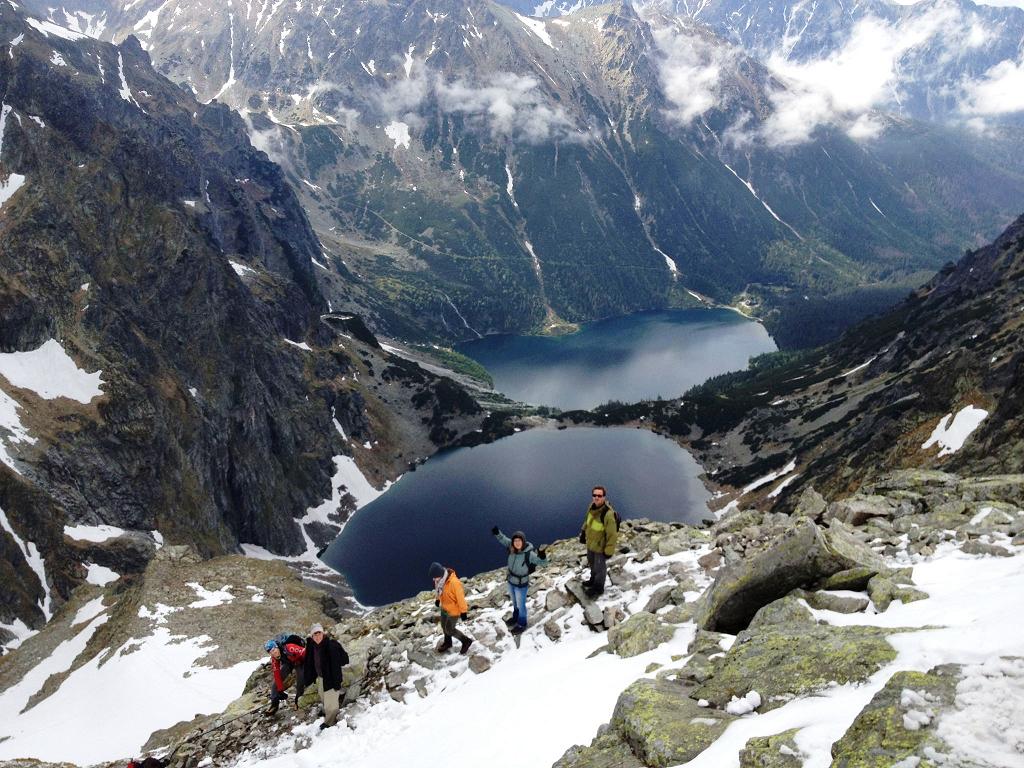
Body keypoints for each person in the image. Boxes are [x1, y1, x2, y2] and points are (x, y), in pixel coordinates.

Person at [491, 527, 547, 634]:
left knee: (521, 605)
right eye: (515, 541)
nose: (517, 543)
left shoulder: (529, 554)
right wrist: (497, 533)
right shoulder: (511, 547)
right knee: (515, 602)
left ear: (523, 541)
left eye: (519, 540)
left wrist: (542, 554)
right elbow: (503, 539)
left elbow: (544, 563)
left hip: (521, 584)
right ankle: (515, 617)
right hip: (511, 581)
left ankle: (522, 624)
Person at [301, 623, 349, 730]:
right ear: (312, 636)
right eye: (315, 634)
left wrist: (337, 682)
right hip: (321, 677)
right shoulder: (312, 647)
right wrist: (308, 678)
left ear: (323, 633)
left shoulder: (332, 645)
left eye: (319, 633)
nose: (317, 636)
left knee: (331, 705)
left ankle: (330, 722)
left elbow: (344, 660)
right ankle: (328, 711)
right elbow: (309, 662)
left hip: (331, 678)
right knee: (322, 696)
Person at [580, 485, 618, 597]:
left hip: (601, 547)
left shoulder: (608, 514)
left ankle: (598, 588)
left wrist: (609, 551)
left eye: (599, 496)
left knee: (600, 568)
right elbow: (587, 521)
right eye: (594, 495)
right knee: (592, 563)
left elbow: (612, 534)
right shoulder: (591, 506)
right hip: (591, 543)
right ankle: (592, 580)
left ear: (604, 497)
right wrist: (583, 532)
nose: (596, 498)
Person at [429, 562, 473, 654]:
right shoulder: (439, 581)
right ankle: (448, 643)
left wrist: (463, 612)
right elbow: (439, 591)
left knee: (450, 629)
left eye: (435, 577)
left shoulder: (454, 583)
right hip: (444, 608)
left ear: (440, 574)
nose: (434, 579)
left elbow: (460, 599)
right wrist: (437, 599)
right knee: (443, 626)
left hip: (454, 610)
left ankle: (466, 641)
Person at [263, 633, 307, 714]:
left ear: (277, 647)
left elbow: (306, 654)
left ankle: (298, 702)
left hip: (300, 660)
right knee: (275, 685)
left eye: (273, 650)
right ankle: (274, 705)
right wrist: (280, 690)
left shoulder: (290, 647)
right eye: (270, 652)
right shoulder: (274, 658)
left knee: (300, 681)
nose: (273, 653)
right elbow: (276, 673)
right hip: (288, 662)